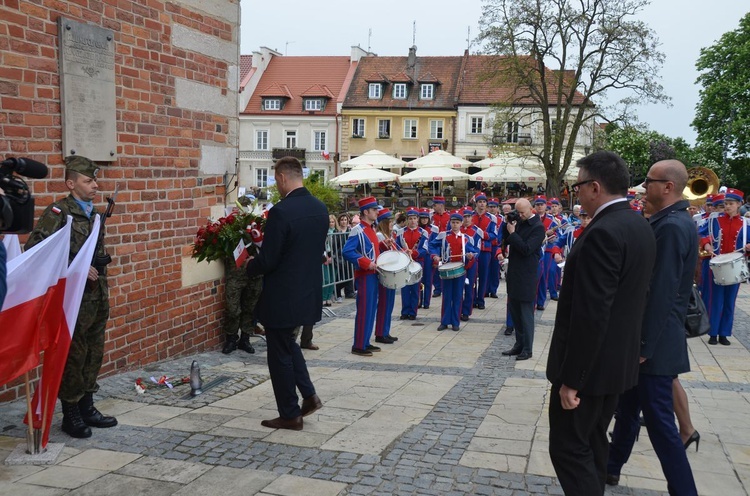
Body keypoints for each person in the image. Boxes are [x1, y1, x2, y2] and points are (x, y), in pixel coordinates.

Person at [545, 151, 657, 495]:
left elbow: (592, 315)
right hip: (615, 364)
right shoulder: (638, 224)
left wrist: (572, 380)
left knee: (567, 447)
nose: (575, 193)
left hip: (590, 371)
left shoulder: (604, 232)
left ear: (594, 187)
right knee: (592, 442)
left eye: (577, 185)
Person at [606, 160, 698, 494]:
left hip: (654, 345)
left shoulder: (672, 227)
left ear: (669, 187)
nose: (644, 187)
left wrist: (644, 344)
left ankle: (685, 490)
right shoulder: (669, 221)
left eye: (650, 181)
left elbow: (662, 291)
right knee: (628, 408)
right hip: (648, 341)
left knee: (660, 424)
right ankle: (611, 466)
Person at [25, 156, 118, 439]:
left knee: (93, 351)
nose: (95, 185)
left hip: (96, 294)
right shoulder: (58, 212)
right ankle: (71, 413)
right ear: (71, 183)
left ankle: (88, 405)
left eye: (95, 180)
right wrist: (73, 265)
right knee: (73, 354)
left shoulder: (94, 213)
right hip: (72, 299)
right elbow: (36, 249)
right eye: (88, 181)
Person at [246, 156, 326, 431]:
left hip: (282, 295)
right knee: (288, 345)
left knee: (278, 354)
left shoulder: (282, 211)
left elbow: (269, 259)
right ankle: (310, 395)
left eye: (276, 181)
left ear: (281, 177)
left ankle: (290, 413)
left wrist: (248, 265)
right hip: (308, 292)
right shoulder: (319, 208)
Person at [698, 187, 750, 345]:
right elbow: (701, 233)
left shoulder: (746, 223)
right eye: (726, 203)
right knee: (716, 299)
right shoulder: (714, 219)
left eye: (731, 204)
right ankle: (713, 333)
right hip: (717, 265)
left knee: (730, 300)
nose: (727, 206)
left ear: (740, 204)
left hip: (735, 266)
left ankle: (725, 333)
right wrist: (707, 245)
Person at [499, 198, 545, 360]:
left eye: (522, 212)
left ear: (531, 209)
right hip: (514, 272)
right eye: (517, 212)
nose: (519, 215)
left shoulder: (538, 228)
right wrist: (508, 224)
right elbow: (505, 239)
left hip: (527, 275)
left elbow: (527, 249)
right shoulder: (519, 222)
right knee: (515, 311)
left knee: (526, 314)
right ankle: (518, 344)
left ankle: (527, 348)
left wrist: (513, 233)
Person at [343, 196, 382, 357]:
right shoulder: (357, 229)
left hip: (373, 274)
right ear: (366, 212)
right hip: (365, 275)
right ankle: (358, 344)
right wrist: (366, 263)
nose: (377, 212)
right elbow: (347, 251)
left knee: (371, 309)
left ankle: (365, 341)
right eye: (374, 210)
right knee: (365, 309)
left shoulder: (371, 229)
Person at [432, 212, 478, 331]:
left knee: (458, 296)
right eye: (453, 222)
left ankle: (455, 322)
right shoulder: (443, 235)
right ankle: (444, 321)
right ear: (450, 223)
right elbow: (432, 245)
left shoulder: (466, 238)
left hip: (460, 270)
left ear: (461, 224)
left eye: (457, 223)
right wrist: (435, 256)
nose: (455, 225)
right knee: (447, 295)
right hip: (447, 268)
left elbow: (475, 251)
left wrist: (470, 255)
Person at [397, 209, 427, 320]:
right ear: (407, 220)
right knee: (404, 287)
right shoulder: (401, 232)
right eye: (410, 219)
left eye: (415, 218)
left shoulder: (423, 233)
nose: (413, 221)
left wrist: (414, 252)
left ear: (418, 219)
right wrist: (404, 251)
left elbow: (425, 249)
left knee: (415, 287)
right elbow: (396, 246)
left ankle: (413, 312)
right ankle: (405, 311)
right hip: (404, 262)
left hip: (417, 262)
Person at [374, 207, 398, 344]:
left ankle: (386, 331)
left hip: (391, 273)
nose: (392, 224)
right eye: (389, 222)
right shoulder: (379, 236)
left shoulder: (389, 236)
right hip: (384, 274)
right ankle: (380, 333)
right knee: (383, 304)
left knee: (389, 303)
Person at [470, 193, 497, 310]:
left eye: (484, 202)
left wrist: (483, 235)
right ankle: (471, 299)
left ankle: (480, 299)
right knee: (472, 275)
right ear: (476, 203)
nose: (482, 204)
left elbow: (494, 235)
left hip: (485, 249)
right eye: (480, 202)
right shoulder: (470, 216)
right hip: (471, 249)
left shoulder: (492, 218)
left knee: (483, 275)